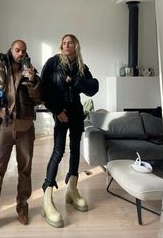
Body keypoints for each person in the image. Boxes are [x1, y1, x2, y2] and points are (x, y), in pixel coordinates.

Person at [0, 39, 42, 237]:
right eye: (17, 49)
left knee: (25, 169)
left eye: (24, 51)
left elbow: (39, 99)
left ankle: (22, 207)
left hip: (25, 128)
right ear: (11, 50)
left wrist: (34, 82)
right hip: (2, 127)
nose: (21, 53)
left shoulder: (30, 71)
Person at [41, 34, 99, 228]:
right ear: (61, 46)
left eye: (70, 43)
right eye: (64, 43)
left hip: (76, 112)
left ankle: (72, 190)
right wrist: (57, 111)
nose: (67, 45)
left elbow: (93, 88)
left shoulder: (81, 67)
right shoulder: (53, 63)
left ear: (76, 46)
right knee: (58, 151)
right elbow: (44, 90)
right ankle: (47, 195)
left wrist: (75, 80)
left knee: (75, 149)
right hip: (60, 112)